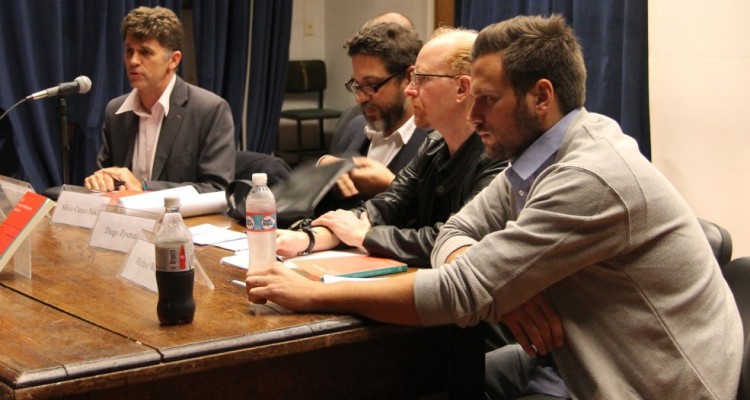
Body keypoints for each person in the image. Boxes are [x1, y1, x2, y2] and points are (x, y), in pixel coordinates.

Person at [245, 14, 742, 399]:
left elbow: (458, 293)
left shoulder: (588, 177)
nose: (474, 113)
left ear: (541, 97)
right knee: (418, 376)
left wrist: (315, 291)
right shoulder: (536, 157)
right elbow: (455, 232)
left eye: (487, 99)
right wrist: (499, 286)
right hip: (588, 357)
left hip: (656, 386)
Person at [277, 27, 506, 268]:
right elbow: (383, 207)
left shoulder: (500, 155)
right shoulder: (434, 145)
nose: (410, 89)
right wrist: (307, 238)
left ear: (462, 88)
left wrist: (364, 236)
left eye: (422, 78)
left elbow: (454, 239)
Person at [84, 6, 235, 194]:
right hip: (125, 220)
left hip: (183, 222)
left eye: (145, 52)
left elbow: (216, 189)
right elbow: (110, 176)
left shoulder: (210, 110)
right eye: (129, 51)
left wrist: (144, 188)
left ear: (173, 60)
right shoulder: (115, 111)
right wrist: (102, 180)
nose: (133, 61)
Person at [318, 22, 428, 210]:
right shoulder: (354, 127)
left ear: (409, 78)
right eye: (356, 84)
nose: (359, 97)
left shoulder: (436, 142)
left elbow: (442, 223)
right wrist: (322, 168)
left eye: (371, 84)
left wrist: (392, 187)